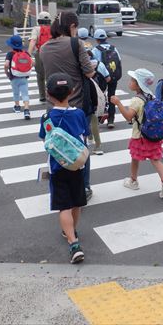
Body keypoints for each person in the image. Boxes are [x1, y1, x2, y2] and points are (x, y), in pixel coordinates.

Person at [39, 11, 96, 200]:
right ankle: (84, 187)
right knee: (80, 147)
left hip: (52, 107)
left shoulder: (44, 48)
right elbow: (88, 73)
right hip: (76, 105)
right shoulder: (75, 43)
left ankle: (60, 185)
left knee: (57, 145)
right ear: (72, 27)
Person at [38, 73, 88, 264]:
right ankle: (72, 230)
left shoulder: (46, 117)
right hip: (77, 165)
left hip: (57, 168)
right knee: (76, 202)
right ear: (72, 91)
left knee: (63, 206)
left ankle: (73, 243)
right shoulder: (79, 114)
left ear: (48, 94)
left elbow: (45, 140)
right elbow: (85, 136)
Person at [110, 68, 163, 199]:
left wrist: (118, 103)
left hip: (140, 135)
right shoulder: (151, 96)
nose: (130, 82)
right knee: (156, 160)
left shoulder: (137, 100)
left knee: (135, 158)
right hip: (153, 135)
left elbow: (128, 117)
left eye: (132, 80)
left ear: (138, 83)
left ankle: (133, 181)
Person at [77, 27, 110, 156]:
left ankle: (86, 142)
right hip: (98, 96)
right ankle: (98, 146)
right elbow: (107, 78)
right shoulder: (99, 64)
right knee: (94, 120)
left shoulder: (79, 66)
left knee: (83, 120)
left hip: (83, 96)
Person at [91, 28, 121, 129]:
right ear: (106, 37)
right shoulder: (114, 48)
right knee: (112, 96)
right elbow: (119, 61)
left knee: (100, 96)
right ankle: (111, 120)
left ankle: (100, 116)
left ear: (96, 39)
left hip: (101, 78)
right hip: (113, 76)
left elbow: (93, 64)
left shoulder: (95, 50)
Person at [3, 34, 31, 120]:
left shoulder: (10, 54)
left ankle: (17, 107)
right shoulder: (25, 53)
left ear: (11, 45)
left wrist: (6, 73)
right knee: (25, 93)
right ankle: (26, 110)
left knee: (16, 93)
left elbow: (6, 65)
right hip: (24, 77)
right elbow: (33, 63)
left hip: (14, 77)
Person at [27, 11, 52, 102]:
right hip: (52, 53)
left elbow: (33, 41)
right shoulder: (53, 29)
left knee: (40, 75)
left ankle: (42, 96)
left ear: (38, 20)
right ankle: (52, 95)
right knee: (50, 75)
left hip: (40, 53)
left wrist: (28, 55)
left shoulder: (36, 29)